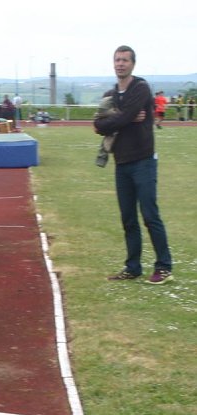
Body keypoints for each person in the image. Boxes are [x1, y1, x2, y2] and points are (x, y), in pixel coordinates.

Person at [94, 45, 172, 285]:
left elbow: (120, 118)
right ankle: (133, 267)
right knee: (128, 218)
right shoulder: (110, 94)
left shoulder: (140, 87)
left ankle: (164, 266)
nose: (120, 64)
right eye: (117, 60)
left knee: (150, 215)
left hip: (143, 161)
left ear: (132, 64)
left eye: (125, 60)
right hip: (122, 163)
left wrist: (117, 119)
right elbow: (98, 125)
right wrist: (122, 118)